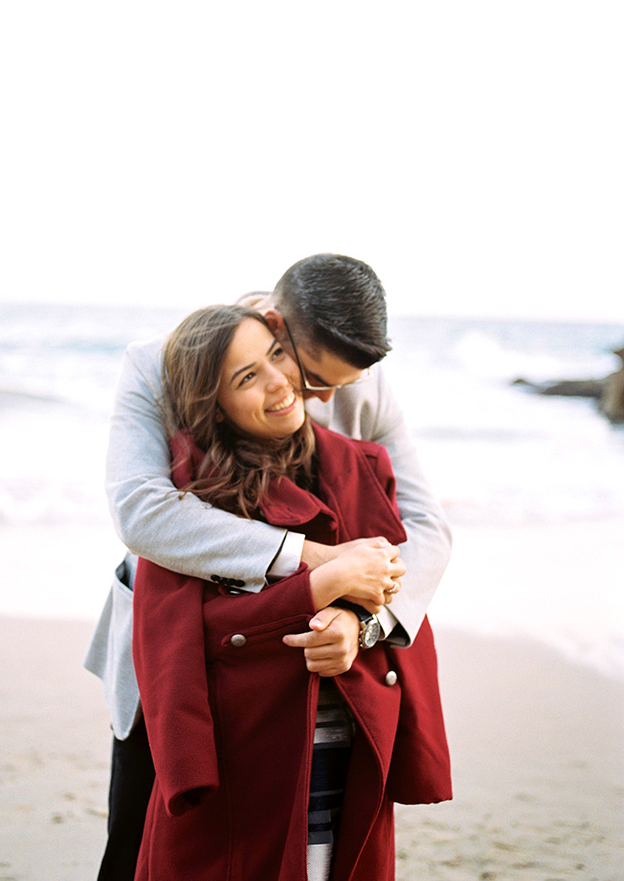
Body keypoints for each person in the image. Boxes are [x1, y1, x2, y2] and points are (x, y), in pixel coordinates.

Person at [85, 254, 452, 878]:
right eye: (314, 376)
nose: (326, 398)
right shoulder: (155, 362)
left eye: (343, 384)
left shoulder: (359, 382)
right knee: (141, 843)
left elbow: (426, 532)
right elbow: (143, 513)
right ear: (275, 325)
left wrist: (359, 619)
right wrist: (312, 563)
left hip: (298, 671)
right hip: (167, 647)